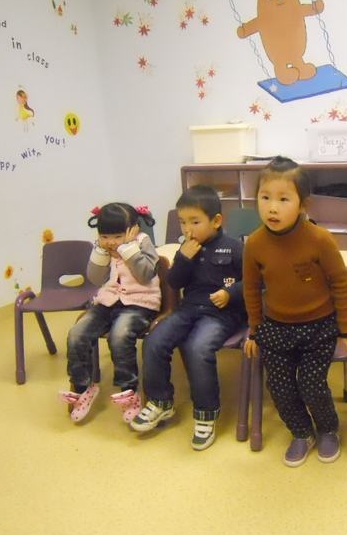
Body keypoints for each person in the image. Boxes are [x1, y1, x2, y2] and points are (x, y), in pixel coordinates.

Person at [243, 156, 347, 467]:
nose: (272, 208)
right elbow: (251, 289)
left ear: (302, 204)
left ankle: (328, 429)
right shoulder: (254, 243)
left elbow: (341, 283)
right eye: (265, 198)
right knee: (279, 387)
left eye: (283, 199)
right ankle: (301, 431)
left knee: (311, 384)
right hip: (276, 326)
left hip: (318, 326)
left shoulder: (319, 239)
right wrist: (254, 329)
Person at [131, 185, 246, 451]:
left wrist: (230, 293)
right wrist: (183, 259)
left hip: (222, 314)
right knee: (154, 340)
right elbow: (174, 282)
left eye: (195, 222)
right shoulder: (185, 249)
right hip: (189, 309)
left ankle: (206, 413)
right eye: (183, 222)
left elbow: (253, 282)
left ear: (216, 221)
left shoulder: (234, 248)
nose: (187, 229)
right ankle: (160, 402)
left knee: (197, 348)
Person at [59, 203, 160, 424]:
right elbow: (95, 278)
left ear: (133, 229)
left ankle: (129, 392)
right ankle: (83, 387)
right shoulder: (103, 247)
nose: (111, 241)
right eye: (105, 236)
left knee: (119, 336)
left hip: (139, 303)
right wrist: (101, 251)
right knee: (77, 333)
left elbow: (145, 274)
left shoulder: (142, 242)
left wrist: (128, 248)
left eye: (117, 236)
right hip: (108, 301)